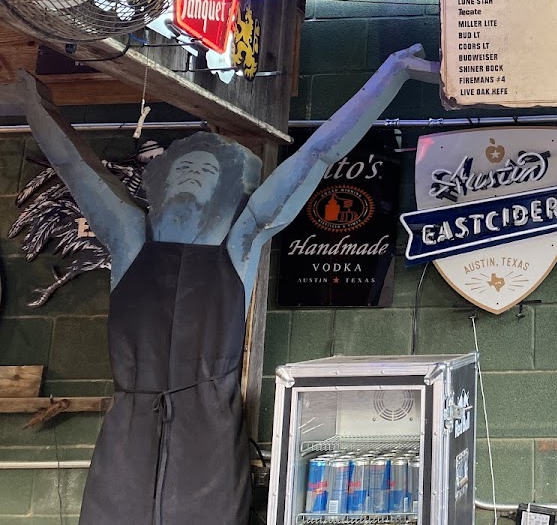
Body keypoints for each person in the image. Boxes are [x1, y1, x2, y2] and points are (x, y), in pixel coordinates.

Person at [7, 44, 440, 525]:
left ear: (223, 191)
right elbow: (73, 165)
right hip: (127, 438)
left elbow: (317, 155)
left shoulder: (240, 245)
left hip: (208, 439)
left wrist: (391, 74)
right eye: (184, 168)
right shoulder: (130, 241)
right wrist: (33, 100)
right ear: (163, 183)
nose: (192, 176)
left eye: (206, 171)